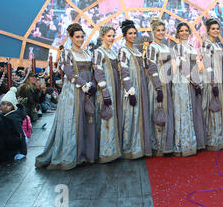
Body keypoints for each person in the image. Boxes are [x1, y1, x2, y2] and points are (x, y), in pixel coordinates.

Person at [35, 23, 97, 170]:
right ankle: (71, 156)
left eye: (82, 37)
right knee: (73, 122)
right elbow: (69, 73)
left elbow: (94, 71)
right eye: (77, 37)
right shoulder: (66, 53)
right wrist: (84, 85)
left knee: (87, 120)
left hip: (88, 92)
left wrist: (92, 85)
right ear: (71, 37)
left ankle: (85, 155)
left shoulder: (88, 53)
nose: (80, 39)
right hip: (73, 93)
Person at [118, 20, 152, 159]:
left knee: (140, 115)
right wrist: (130, 90)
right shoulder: (123, 51)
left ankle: (140, 146)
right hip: (131, 88)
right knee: (130, 117)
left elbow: (143, 68)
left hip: (141, 85)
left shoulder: (137, 50)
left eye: (134, 33)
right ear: (125, 35)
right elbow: (124, 73)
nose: (133, 35)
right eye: (130, 33)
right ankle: (129, 148)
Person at [171, 22, 206, 156]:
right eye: (181, 31)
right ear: (177, 33)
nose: (184, 33)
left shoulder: (191, 48)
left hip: (192, 82)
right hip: (182, 83)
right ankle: (183, 145)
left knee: (193, 111)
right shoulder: (176, 48)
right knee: (183, 112)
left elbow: (196, 66)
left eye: (186, 30)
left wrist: (197, 81)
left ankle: (193, 142)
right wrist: (194, 82)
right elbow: (182, 67)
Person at [200, 18, 223, 151]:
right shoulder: (206, 45)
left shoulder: (217, 45)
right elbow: (208, 66)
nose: (216, 31)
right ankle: (213, 139)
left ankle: (221, 138)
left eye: (217, 28)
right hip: (212, 81)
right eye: (213, 29)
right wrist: (213, 84)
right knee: (213, 108)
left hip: (220, 79)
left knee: (220, 107)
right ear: (208, 30)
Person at [93, 24, 123, 163]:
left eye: (113, 36)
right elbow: (98, 73)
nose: (111, 38)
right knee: (106, 117)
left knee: (113, 117)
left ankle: (113, 149)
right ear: (102, 37)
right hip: (106, 90)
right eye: (108, 36)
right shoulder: (98, 52)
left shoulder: (112, 52)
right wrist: (105, 92)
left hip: (115, 88)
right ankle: (105, 152)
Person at [145, 17, 175, 156]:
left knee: (166, 110)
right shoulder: (152, 47)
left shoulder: (164, 47)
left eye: (163, 30)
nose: (161, 32)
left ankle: (166, 144)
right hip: (156, 83)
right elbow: (151, 67)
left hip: (167, 82)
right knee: (157, 111)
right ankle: (157, 145)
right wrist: (158, 87)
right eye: (158, 30)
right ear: (153, 32)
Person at [0, 87, 27, 163]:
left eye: (8, 105)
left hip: (11, 147)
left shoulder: (14, 119)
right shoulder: (2, 115)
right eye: (3, 104)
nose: (5, 106)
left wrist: (23, 152)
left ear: (13, 107)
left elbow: (21, 135)